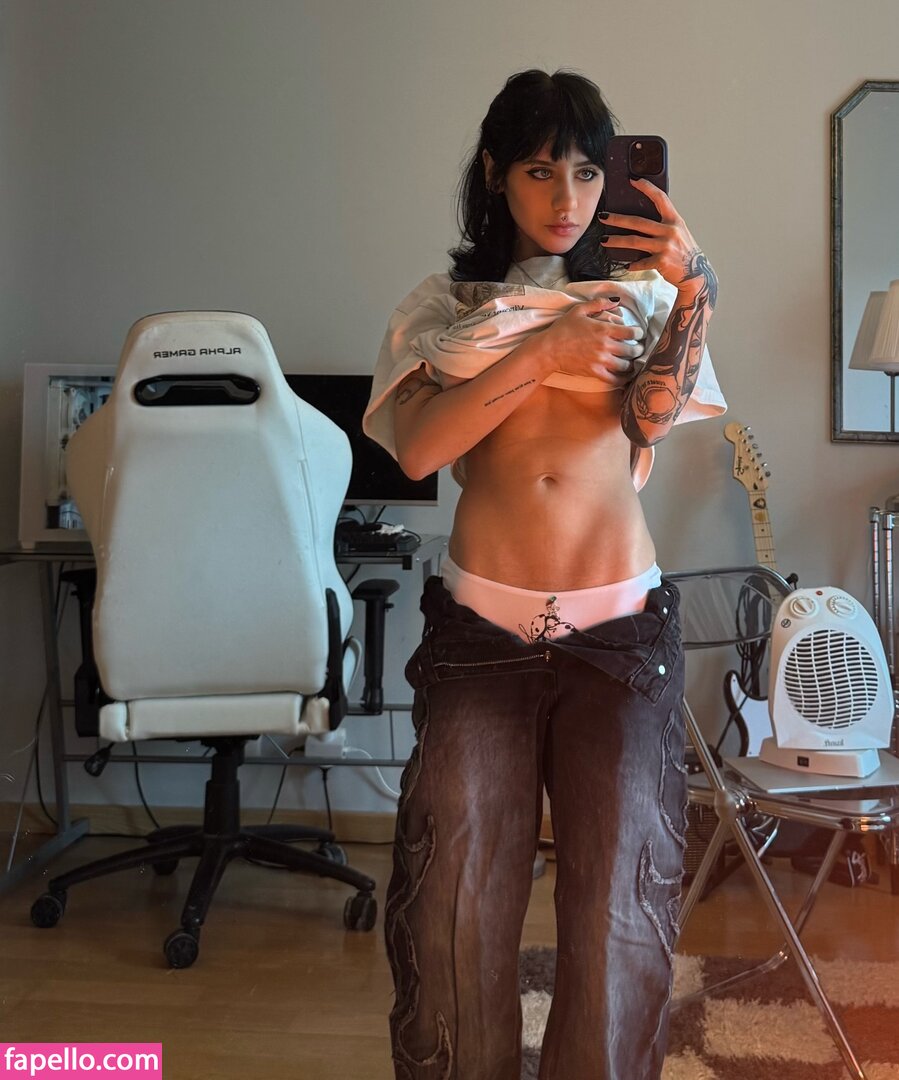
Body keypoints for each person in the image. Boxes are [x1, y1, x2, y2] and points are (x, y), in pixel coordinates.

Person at [363, 68, 725, 1080]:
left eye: (584, 171)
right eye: (537, 170)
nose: (565, 197)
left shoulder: (638, 296)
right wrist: (541, 347)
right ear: (495, 174)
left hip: (620, 636)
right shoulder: (445, 308)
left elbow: (650, 419)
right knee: (451, 911)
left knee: (619, 916)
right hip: (480, 636)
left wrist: (696, 289)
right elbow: (420, 450)